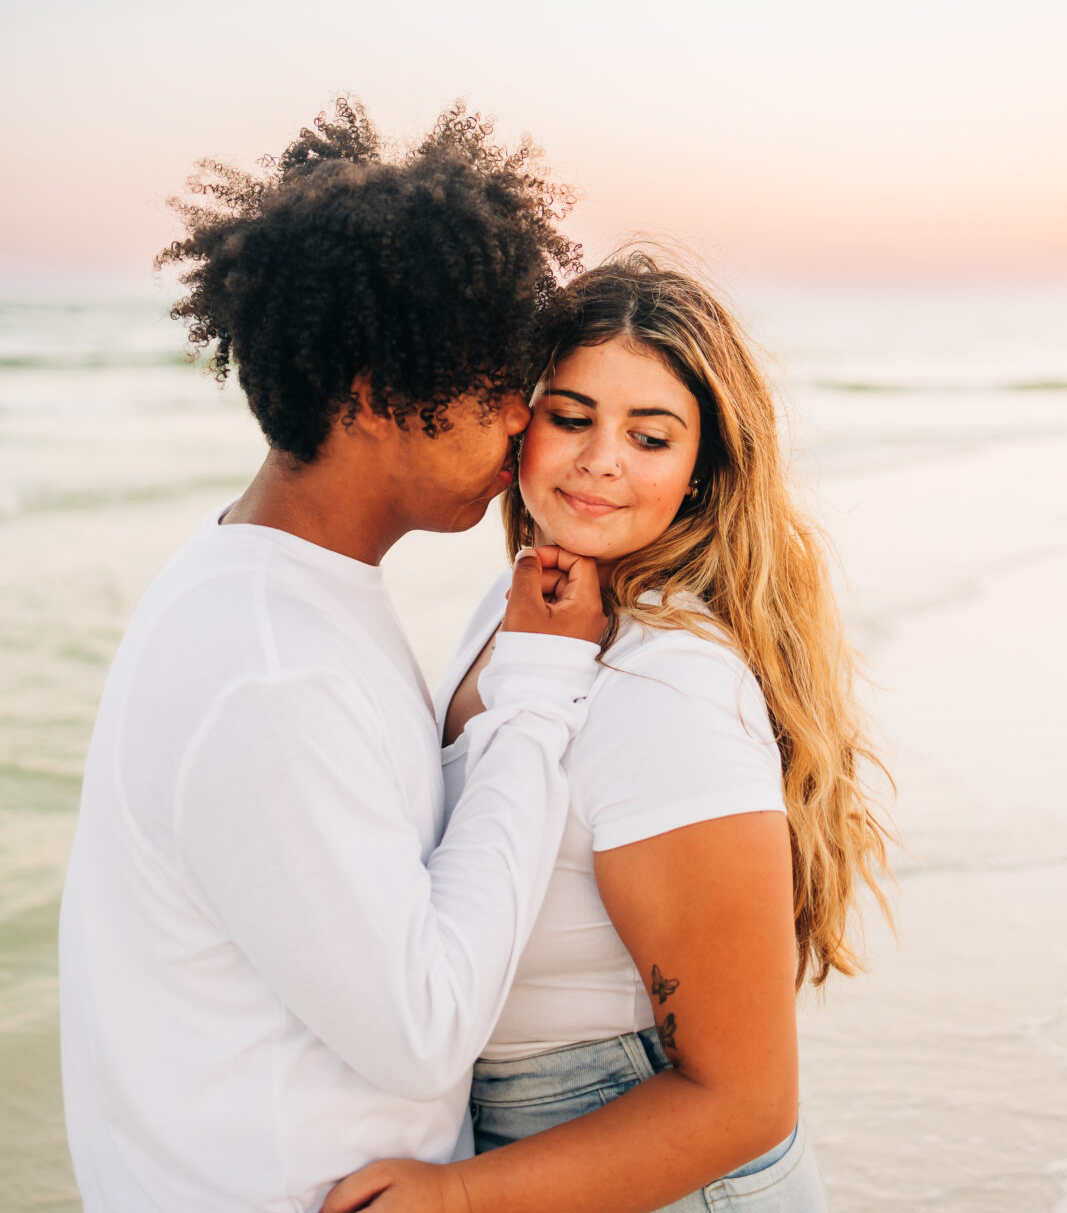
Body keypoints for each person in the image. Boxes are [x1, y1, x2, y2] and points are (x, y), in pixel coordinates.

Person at [58, 99, 609, 1213]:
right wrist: (537, 695)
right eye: (488, 381)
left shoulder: (284, 591)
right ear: (370, 394)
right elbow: (423, 1023)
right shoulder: (270, 668)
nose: (520, 417)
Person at [326, 251, 893, 1213]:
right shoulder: (532, 610)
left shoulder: (666, 685)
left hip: (651, 1169)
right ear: (520, 419)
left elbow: (745, 1099)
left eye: (650, 435)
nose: (601, 460)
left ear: (701, 472)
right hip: (540, 1142)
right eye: (573, 417)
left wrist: (456, 1198)